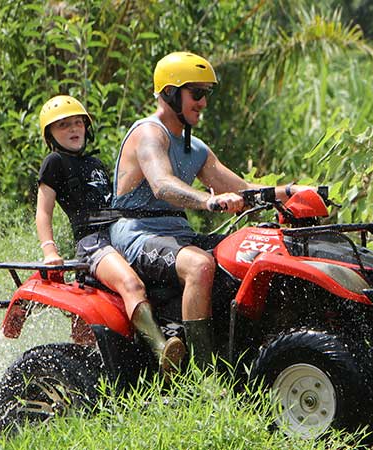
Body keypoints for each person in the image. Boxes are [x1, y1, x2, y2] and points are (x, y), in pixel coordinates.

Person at [110, 52, 313, 367]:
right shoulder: (148, 133)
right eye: (197, 94)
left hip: (176, 234)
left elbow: (243, 190)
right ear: (170, 93)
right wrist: (207, 200)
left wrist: (287, 193)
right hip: (137, 232)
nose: (203, 103)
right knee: (200, 265)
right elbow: (162, 184)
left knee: (249, 253)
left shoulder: (196, 148)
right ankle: (203, 374)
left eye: (206, 94)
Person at [35, 94, 185, 376]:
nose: (74, 129)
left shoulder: (96, 163)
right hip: (93, 243)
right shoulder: (54, 162)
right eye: (64, 125)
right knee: (132, 285)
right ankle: (164, 355)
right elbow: (43, 212)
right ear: (50, 134)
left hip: (122, 234)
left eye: (78, 123)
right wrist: (49, 251)